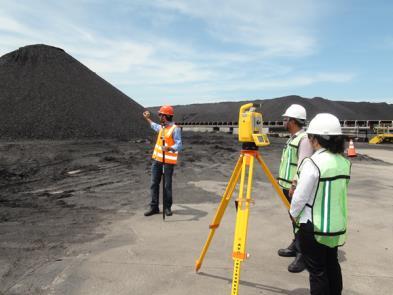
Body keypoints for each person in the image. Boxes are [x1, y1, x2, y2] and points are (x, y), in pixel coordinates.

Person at [290, 113, 350, 295]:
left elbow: (300, 197)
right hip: (334, 225)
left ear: (315, 139)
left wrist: (293, 213)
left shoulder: (313, 163)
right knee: (332, 264)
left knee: (317, 271)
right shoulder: (344, 162)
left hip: (313, 226)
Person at [277, 104, 313, 273]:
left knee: (299, 219)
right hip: (286, 186)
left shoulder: (304, 139)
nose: (284, 121)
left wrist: (295, 184)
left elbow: (303, 163)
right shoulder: (292, 137)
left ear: (292, 120)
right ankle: (296, 244)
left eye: (286, 119)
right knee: (293, 219)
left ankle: (303, 254)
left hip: (294, 187)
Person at [143, 105, 182, 217]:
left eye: (160, 114)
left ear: (165, 116)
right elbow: (154, 126)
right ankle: (154, 207)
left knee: (167, 185)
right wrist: (147, 118)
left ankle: (167, 208)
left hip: (168, 163)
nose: (159, 116)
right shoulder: (162, 127)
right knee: (154, 183)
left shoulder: (175, 128)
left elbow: (179, 145)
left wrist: (169, 148)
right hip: (157, 161)